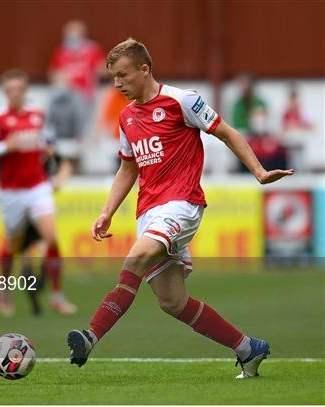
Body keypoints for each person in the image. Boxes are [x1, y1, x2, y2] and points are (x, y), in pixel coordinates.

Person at [66, 38, 294, 379]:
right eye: (113, 77)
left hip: (181, 204)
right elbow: (128, 168)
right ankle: (249, 349)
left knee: (135, 260)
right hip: (148, 211)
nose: (117, 84)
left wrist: (259, 171)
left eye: (123, 75)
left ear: (145, 69)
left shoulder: (181, 100)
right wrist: (107, 211)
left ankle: (91, 335)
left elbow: (226, 132)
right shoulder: (126, 116)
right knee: (172, 301)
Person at [0, 68, 77, 316]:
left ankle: (57, 295)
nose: (15, 94)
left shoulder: (38, 114)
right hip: (11, 192)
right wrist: (3, 147)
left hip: (38, 186)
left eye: (19, 89)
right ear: (4, 91)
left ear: (25, 90)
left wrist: (48, 149)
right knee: (13, 245)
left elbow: (47, 141)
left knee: (51, 236)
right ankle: (4, 287)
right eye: (10, 90)